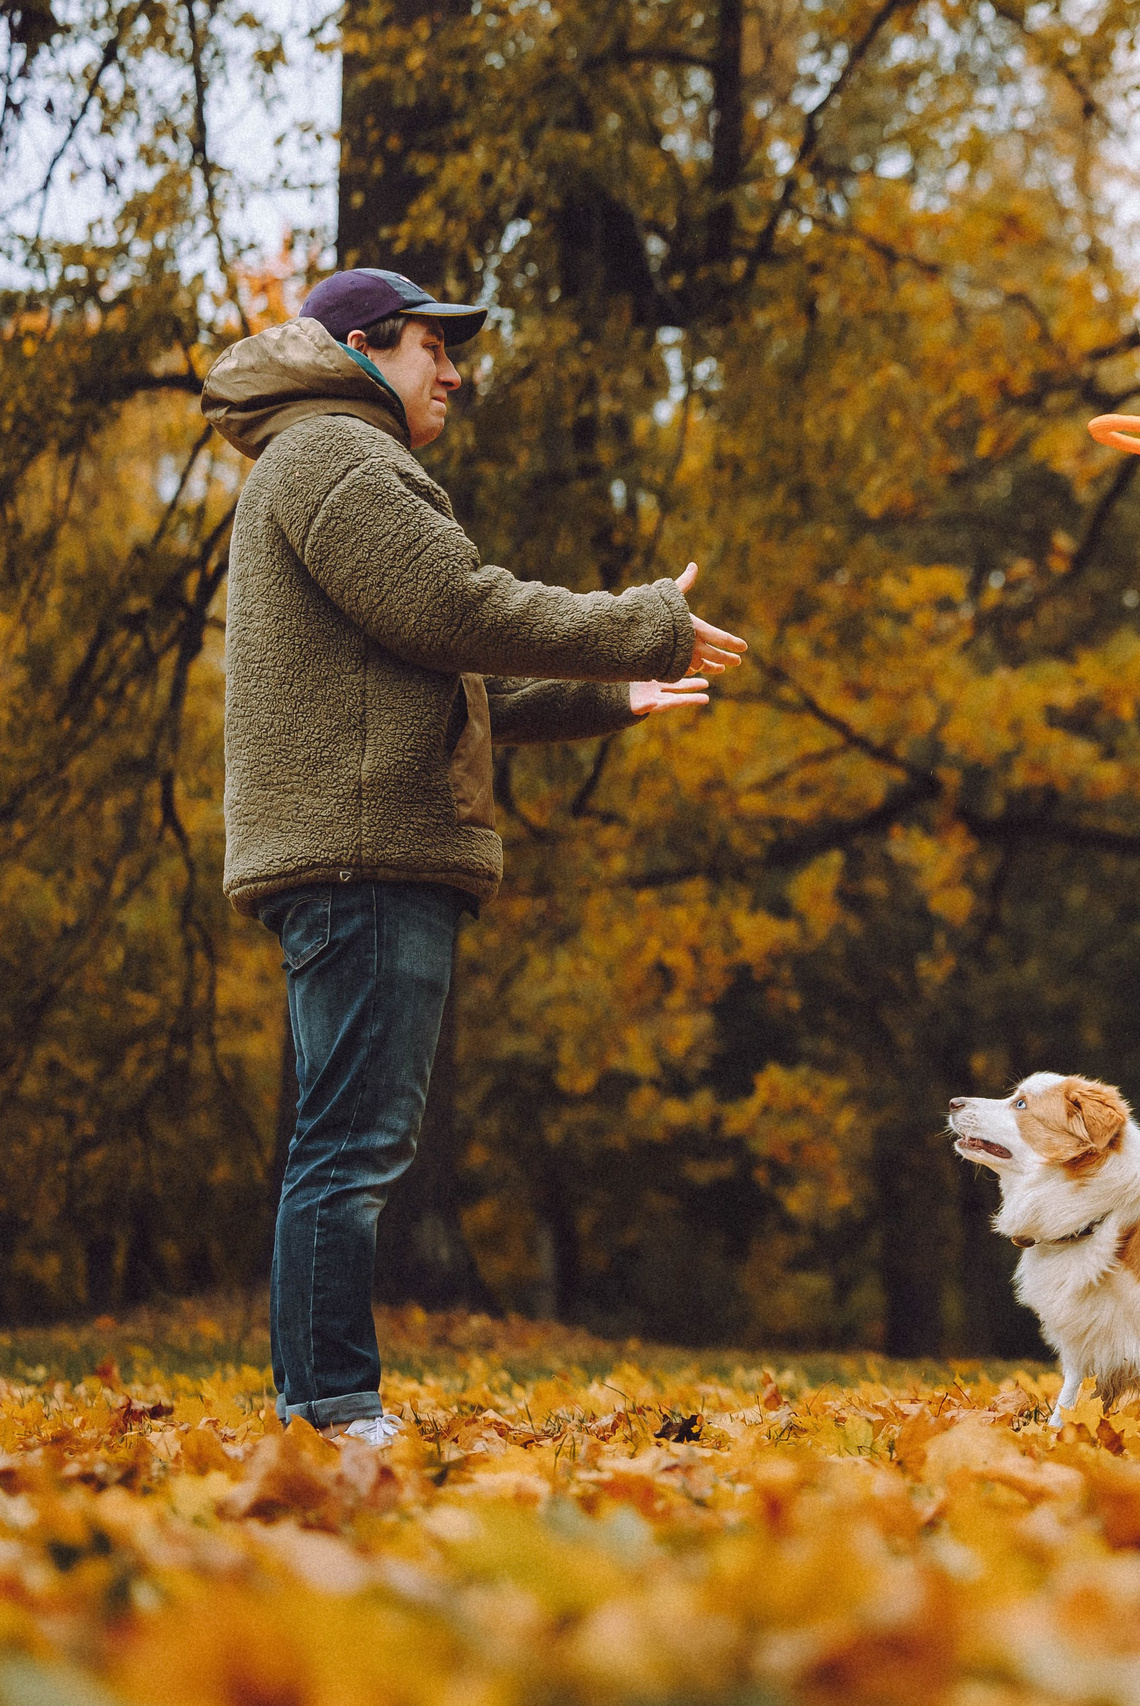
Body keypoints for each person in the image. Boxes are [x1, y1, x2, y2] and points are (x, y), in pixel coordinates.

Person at [201, 267, 750, 1442]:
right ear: (362, 346)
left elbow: (451, 671)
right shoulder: (335, 453)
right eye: (432, 347)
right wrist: (640, 623)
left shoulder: (328, 456)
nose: (453, 373)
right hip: (362, 853)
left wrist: (609, 691)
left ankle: (317, 1403)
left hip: (362, 850)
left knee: (349, 1137)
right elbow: (458, 607)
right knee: (352, 1144)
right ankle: (331, 1409)